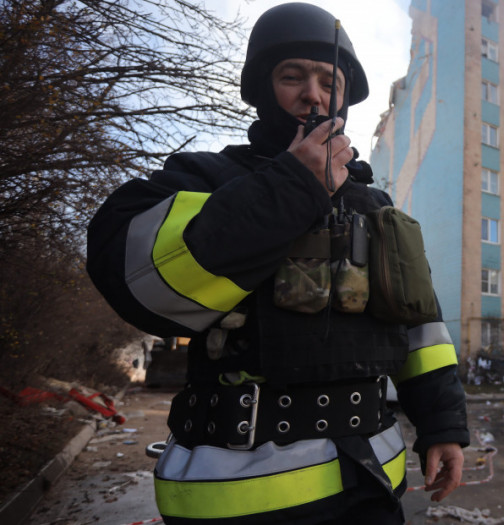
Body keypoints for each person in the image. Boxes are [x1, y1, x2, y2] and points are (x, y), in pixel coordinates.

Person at [86, 3, 468, 523]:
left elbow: (421, 331)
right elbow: (141, 281)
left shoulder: (375, 208)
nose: (313, 94)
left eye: (328, 81)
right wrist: (290, 187)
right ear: (263, 89)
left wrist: (442, 425)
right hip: (239, 494)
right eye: (293, 77)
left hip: (372, 485)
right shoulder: (208, 179)